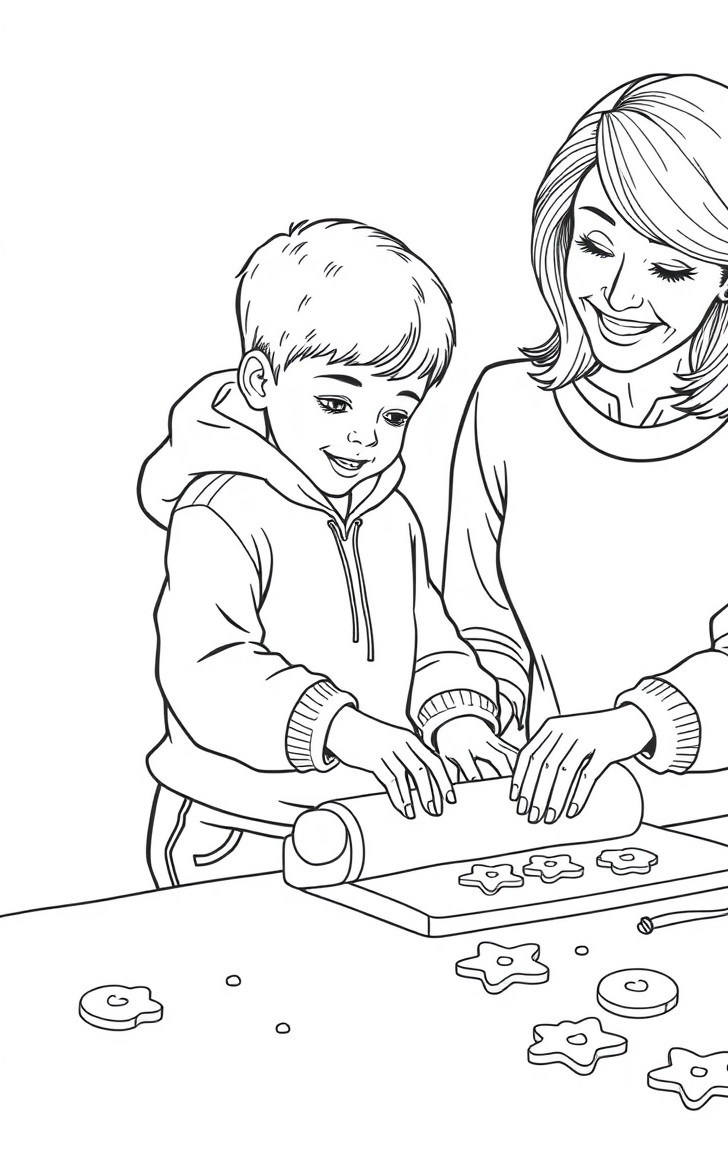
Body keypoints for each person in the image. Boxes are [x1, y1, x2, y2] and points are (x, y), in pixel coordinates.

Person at [443, 74, 728, 828]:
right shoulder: (506, 406)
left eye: (669, 269)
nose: (620, 295)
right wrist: (472, 722)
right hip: (559, 820)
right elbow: (477, 622)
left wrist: (627, 728)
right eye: (596, 246)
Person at [139, 219, 514, 886]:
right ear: (260, 381)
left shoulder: (390, 516)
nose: (367, 437)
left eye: (396, 414)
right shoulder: (219, 511)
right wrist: (340, 728)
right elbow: (206, 670)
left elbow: (429, 637)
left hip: (367, 814)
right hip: (241, 822)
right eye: (336, 401)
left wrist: (455, 713)